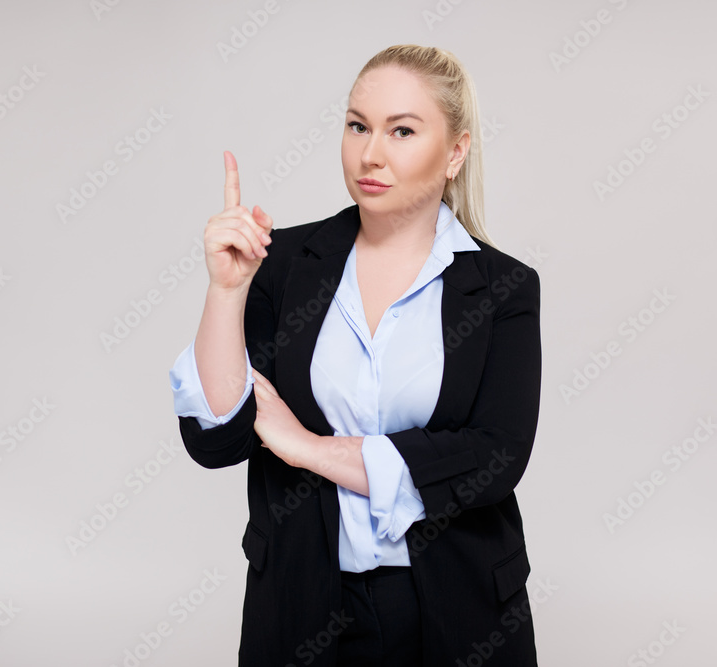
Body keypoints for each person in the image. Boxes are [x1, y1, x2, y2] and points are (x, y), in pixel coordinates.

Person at [169, 44, 542, 666]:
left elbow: (492, 459)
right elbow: (216, 439)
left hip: (458, 609)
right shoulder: (282, 264)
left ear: (456, 151)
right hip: (303, 604)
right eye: (357, 125)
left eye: (402, 130)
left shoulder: (504, 288)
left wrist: (307, 448)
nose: (370, 153)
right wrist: (227, 291)